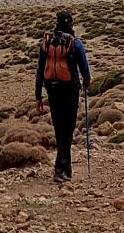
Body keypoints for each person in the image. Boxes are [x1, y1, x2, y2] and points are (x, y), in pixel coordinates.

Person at [35, 9, 92, 183]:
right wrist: (87, 81)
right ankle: (61, 170)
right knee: (68, 129)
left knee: (59, 128)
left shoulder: (47, 42)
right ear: (71, 24)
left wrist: (38, 95)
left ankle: (65, 169)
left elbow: (39, 70)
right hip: (70, 90)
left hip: (52, 89)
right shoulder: (74, 43)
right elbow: (84, 67)